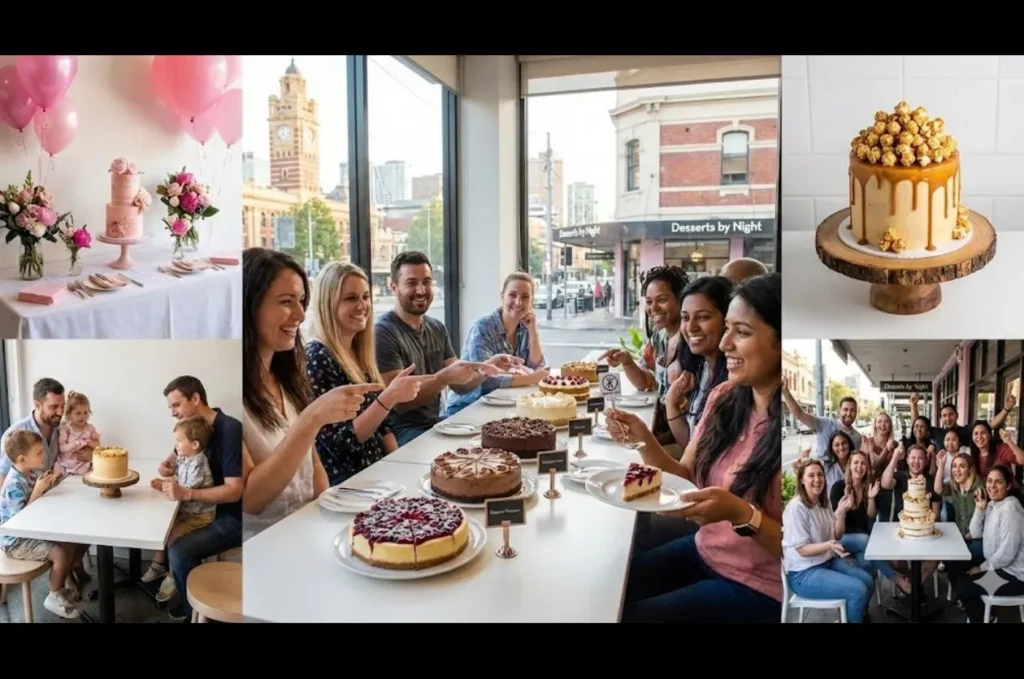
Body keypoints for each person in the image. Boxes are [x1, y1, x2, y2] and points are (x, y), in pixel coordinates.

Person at [606, 273, 783, 622]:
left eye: (742, 332)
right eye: (728, 328)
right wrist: (642, 435)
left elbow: (799, 547)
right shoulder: (725, 398)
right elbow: (684, 475)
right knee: (608, 588)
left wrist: (741, 514)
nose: (724, 343)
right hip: (706, 549)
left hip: (760, 587)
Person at [242, 248, 379, 544]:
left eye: (302, 301)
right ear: (249, 306)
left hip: (307, 531)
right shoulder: (230, 392)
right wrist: (311, 419)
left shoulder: (288, 378)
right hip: (263, 547)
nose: (301, 314)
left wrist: (329, 525)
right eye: (286, 302)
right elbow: (251, 500)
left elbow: (315, 469)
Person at [306, 262, 431, 485]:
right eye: (350, 298)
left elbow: (384, 427)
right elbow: (341, 443)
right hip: (348, 483)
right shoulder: (317, 357)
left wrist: (399, 465)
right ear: (327, 304)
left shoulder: (360, 352)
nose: (362, 305)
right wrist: (389, 397)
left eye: (365, 297)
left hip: (378, 473)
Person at [374, 251, 508, 445]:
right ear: (393, 286)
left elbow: (459, 385)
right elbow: (400, 403)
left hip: (436, 423)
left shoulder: (436, 327)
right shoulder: (383, 332)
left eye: (427, 282)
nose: (421, 290)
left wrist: (488, 369)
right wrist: (442, 378)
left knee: (492, 440)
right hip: (402, 432)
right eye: (411, 283)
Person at [151, 375, 243, 623]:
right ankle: (190, 596)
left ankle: (199, 613)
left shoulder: (229, 428)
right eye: (170, 407)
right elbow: (172, 460)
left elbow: (235, 490)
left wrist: (187, 492)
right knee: (162, 528)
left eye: (176, 405)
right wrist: (167, 467)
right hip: (201, 508)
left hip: (232, 516)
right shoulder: (191, 428)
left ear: (195, 398)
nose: (172, 413)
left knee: (179, 551)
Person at [0, 430, 88, 619]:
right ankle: (54, 595)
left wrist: (46, 485)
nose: (44, 455)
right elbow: (20, 521)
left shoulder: (29, 474)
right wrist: (38, 491)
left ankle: (65, 582)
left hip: (30, 531)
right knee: (60, 553)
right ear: (22, 459)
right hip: (16, 541)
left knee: (70, 540)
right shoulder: (13, 485)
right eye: (39, 453)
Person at [599, 265, 689, 445]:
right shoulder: (660, 336)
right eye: (648, 301)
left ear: (681, 300)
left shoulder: (692, 341)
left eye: (662, 299)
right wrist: (627, 361)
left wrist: (647, 442)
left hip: (678, 437)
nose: (653, 307)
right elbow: (645, 382)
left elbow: (691, 419)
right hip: (658, 426)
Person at [445, 271, 550, 416]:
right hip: (467, 407)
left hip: (503, 405)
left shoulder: (524, 327)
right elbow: (487, 380)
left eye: (525, 297)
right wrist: (531, 378)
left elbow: (535, 366)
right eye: (512, 295)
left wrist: (533, 330)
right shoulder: (483, 327)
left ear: (531, 301)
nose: (518, 302)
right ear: (502, 297)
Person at [783, 458, 874, 623]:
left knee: (868, 579)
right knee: (858, 590)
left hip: (826, 562)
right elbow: (802, 549)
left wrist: (841, 513)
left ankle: (855, 616)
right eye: (811, 476)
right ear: (802, 480)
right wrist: (829, 545)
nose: (817, 480)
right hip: (803, 573)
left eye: (820, 475)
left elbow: (836, 535)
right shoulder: (796, 508)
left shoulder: (823, 503)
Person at [148, 415, 215, 603]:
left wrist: (166, 485)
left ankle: (171, 576)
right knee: (162, 529)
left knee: (172, 538)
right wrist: (164, 481)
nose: (175, 445)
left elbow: (186, 487)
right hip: (187, 511)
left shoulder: (199, 462)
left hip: (199, 516)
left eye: (179, 441)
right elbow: (178, 479)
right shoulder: (184, 458)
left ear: (194, 444)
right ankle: (159, 564)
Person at [664, 276, 732, 450]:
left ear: (727, 321)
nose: (691, 327)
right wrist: (672, 402)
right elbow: (690, 442)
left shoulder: (732, 384)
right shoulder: (704, 367)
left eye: (703, 317)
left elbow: (696, 457)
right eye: (685, 318)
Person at [830, 450, 910, 594]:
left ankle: (863, 607)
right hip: (841, 538)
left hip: (862, 542)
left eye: (863, 464)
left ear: (867, 467)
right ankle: (895, 577)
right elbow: (835, 526)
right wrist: (844, 509)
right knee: (866, 540)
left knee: (866, 563)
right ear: (850, 466)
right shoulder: (838, 488)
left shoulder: (869, 487)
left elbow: (871, 514)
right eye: (856, 463)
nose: (859, 467)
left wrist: (871, 498)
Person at [955, 465, 1024, 622]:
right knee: (958, 569)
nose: (992, 486)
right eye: (990, 481)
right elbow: (975, 533)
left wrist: (981, 568)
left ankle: (987, 617)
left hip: (1015, 577)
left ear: (1008, 485)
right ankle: (984, 611)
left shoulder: (1011, 508)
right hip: (1001, 569)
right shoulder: (994, 504)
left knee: (965, 587)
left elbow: (1007, 554)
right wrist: (980, 509)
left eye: (998, 482)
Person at [880, 442, 942, 590]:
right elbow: (885, 483)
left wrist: (923, 526)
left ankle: (912, 588)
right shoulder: (900, 477)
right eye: (912, 457)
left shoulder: (931, 481)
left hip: (924, 532)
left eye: (920, 458)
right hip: (901, 530)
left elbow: (936, 514)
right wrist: (895, 456)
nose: (916, 461)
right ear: (907, 459)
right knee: (896, 561)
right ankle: (913, 589)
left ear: (926, 461)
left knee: (934, 559)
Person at [0, 377, 66, 489]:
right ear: (37, 405)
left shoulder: (63, 430)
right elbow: (3, 477)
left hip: (55, 493)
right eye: (54, 407)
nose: (60, 412)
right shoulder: (16, 434)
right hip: (28, 501)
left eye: (63, 406)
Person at [935, 450, 984, 588]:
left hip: (979, 540)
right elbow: (938, 489)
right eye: (954, 466)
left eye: (962, 466)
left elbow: (983, 524)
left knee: (957, 560)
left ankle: (966, 592)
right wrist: (941, 465)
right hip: (962, 537)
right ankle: (963, 592)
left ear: (970, 469)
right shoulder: (955, 485)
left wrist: (966, 537)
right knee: (948, 558)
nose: (956, 470)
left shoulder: (979, 489)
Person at [910, 392, 1015, 452]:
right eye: (944, 416)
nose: (948, 418)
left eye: (951, 414)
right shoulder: (936, 432)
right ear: (941, 418)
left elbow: (991, 425)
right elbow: (919, 424)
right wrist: (913, 406)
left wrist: (1006, 409)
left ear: (957, 415)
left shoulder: (967, 430)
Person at [782, 386, 862, 458]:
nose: (848, 413)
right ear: (839, 411)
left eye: (852, 410)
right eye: (845, 409)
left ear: (856, 413)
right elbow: (800, 415)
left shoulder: (857, 437)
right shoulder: (825, 424)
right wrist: (785, 391)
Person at [55, 390, 99, 478]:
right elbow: (61, 448)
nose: (83, 416)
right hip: (68, 462)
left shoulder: (90, 428)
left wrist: (90, 442)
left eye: (85, 412)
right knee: (57, 469)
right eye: (78, 413)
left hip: (84, 462)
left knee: (93, 470)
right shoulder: (66, 429)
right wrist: (74, 444)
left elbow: (98, 446)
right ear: (68, 415)